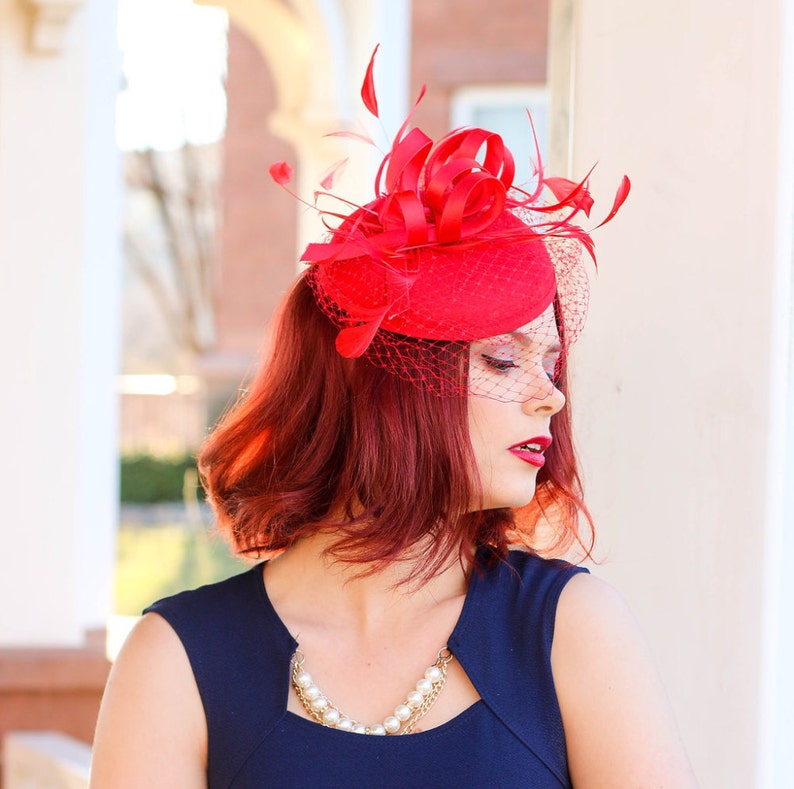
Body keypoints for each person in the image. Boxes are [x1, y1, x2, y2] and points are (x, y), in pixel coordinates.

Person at [91, 49, 698, 788]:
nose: (552, 397)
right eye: (504, 361)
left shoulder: (571, 628)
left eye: (552, 364)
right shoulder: (177, 658)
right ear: (388, 382)